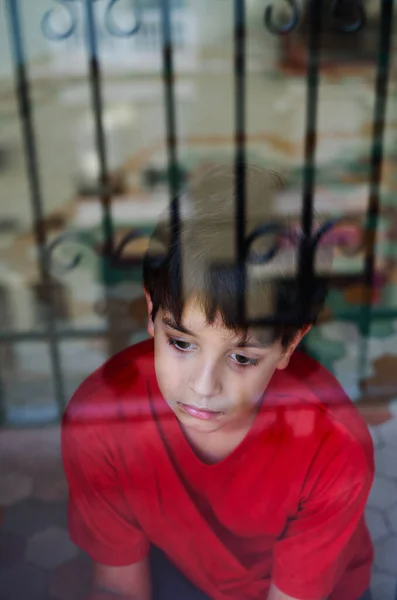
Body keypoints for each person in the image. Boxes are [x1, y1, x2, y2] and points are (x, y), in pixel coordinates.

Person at [62, 164, 374, 600]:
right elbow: (119, 585)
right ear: (151, 310)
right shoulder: (99, 420)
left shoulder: (331, 449)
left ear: (290, 344)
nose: (204, 387)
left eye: (243, 356)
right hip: (186, 574)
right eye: (183, 343)